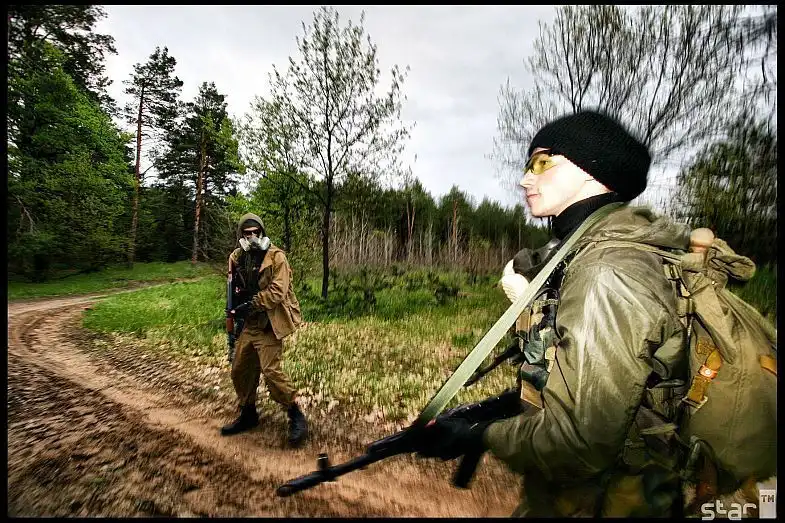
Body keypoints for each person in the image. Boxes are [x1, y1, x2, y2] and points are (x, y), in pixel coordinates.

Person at [416, 110, 694, 516]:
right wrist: (498, 409)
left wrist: (480, 436)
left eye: (542, 163)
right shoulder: (587, 253)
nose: (525, 179)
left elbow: (582, 441)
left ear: (593, 170)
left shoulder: (606, 271)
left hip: (607, 500)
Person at [221, 212, 308, 447]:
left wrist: (252, 304)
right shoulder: (237, 257)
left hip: (269, 322)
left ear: (262, 232)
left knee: (271, 372)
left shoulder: (277, 257)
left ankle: (295, 414)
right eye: (247, 233)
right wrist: (233, 314)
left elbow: (278, 291)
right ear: (241, 235)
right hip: (248, 324)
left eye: (255, 232)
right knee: (240, 369)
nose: (251, 237)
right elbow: (232, 288)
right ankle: (248, 413)